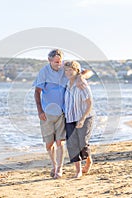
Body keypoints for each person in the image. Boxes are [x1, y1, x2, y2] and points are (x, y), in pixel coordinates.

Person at [33, 49, 93, 179]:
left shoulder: (66, 66)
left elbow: (87, 72)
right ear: (49, 60)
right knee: (49, 144)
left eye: (60, 61)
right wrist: (40, 111)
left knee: (61, 142)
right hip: (47, 113)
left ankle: (59, 169)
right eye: (55, 62)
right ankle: (54, 165)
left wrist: (81, 77)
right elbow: (37, 91)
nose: (58, 65)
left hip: (63, 113)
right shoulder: (44, 72)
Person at [64, 60, 95, 178]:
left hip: (85, 117)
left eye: (70, 70)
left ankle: (88, 160)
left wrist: (82, 119)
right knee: (72, 144)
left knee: (83, 142)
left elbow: (89, 103)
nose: (67, 72)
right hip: (70, 118)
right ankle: (78, 171)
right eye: (66, 70)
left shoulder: (82, 84)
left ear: (76, 71)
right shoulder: (67, 84)